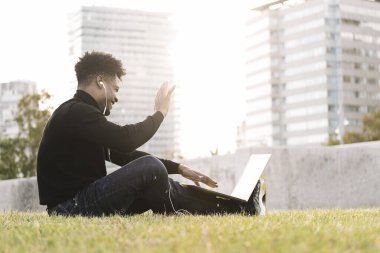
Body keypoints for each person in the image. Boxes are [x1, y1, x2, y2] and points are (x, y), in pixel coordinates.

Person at [37, 51, 266, 217]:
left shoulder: (80, 116)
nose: (116, 97)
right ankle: (182, 210)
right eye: (115, 89)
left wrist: (179, 169)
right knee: (151, 168)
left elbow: (124, 155)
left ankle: (241, 208)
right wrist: (160, 113)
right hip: (70, 208)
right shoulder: (75, 112)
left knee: (157, 175)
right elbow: (126, 140)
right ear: (99, 81)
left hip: (79, 203)